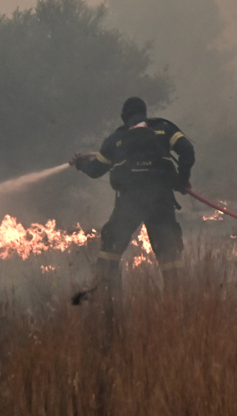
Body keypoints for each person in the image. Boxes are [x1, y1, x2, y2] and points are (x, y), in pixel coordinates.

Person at [71, 97, 195, 296]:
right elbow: (187, 150)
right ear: (145, 112)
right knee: (169, 253)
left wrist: (81, 164)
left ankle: (108, 300)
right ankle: (177, 303)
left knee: (110, 249)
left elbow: (95, 170)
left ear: (124, 116)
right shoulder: (163, 129)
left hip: (130, 201)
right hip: (161, 199)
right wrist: (182, 179)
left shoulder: (115, 138)